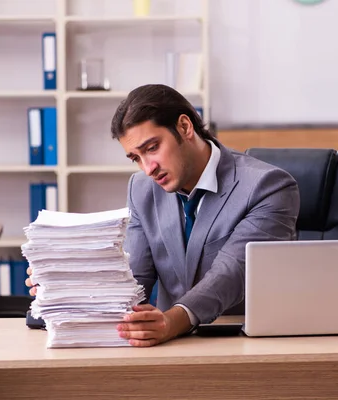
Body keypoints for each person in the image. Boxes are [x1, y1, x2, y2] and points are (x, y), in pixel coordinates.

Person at [26, 84, 300, 347]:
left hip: (241, 339)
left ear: (184, 127)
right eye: (136, 157)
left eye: (152, 147)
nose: (148, 168)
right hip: (171, 345)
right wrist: (64, 287)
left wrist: (172, 321)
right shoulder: (142, 190)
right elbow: (134, 278)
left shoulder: (267, 187)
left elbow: (231, 274)